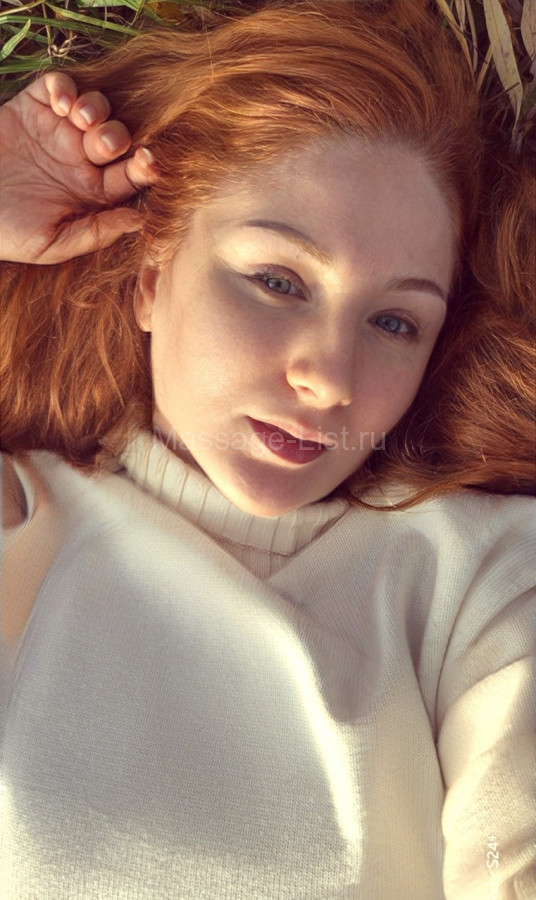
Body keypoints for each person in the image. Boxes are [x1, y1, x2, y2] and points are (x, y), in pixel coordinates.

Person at [0, 0, 534, 896]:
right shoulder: (20, 526)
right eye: (279, 281)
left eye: (395, 322)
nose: (329, 378)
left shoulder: (481, 581)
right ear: (151, 276)